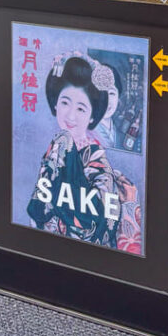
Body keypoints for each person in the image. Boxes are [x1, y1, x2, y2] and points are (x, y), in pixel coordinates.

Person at [27, 55, 142, 255]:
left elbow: (94, 223)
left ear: (92, 116)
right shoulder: (56, 147)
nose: (70, 116)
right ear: (55, 104)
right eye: (65, 103)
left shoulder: (95, 158)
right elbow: (39, 206)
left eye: (81, 108)